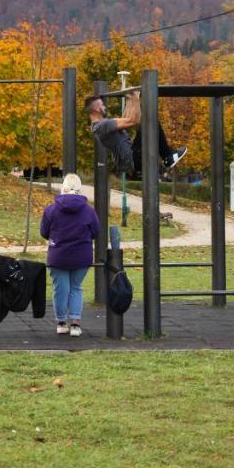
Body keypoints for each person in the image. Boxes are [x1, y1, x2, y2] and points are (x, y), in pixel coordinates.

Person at [40, 173, 100, 337]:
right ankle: (75, 324)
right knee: (76, 288)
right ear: (80, 188)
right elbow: (95, 231)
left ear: (63, 187)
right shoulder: (88, 210)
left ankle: (61, 322)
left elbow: (44, 232)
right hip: (81, 255)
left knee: (60, 289)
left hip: (58, 255)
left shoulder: (51, 210)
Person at [85, 90, 187, 178]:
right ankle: (168, 157)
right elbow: (134, 121)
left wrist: (131, 100)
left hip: (131, 156)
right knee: (151, 120)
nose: (105, 106)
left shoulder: (101, 125)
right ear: (96, 109)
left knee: (148, 119)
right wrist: (136, 98)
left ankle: (167, 157)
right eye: (102, 105)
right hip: (133, 159)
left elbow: (125, 119)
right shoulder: (103, 125)